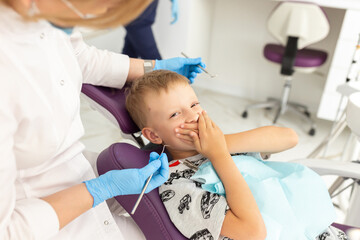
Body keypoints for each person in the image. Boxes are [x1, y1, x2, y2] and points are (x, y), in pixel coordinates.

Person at [0, 0, 206, 239]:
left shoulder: (47, 12)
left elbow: (81, 56)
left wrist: (154, 67)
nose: (96, 15)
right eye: (101, 7)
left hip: (79, 171)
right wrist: (101, 189)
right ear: (152, 134)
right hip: (38, 215)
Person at [125, 70, 345, 240]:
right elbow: (253, 231)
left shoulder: (222, 144)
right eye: (175, 114)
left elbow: (289, 138)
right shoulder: (176, 185)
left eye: (194, 104)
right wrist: (219, 155)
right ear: (153, 135)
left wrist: (221, 144)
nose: (193, 116)